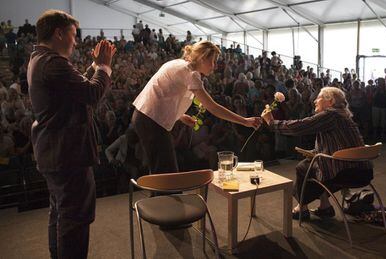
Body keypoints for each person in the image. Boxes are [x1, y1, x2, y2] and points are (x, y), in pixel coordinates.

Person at [27, 9, 116, 259]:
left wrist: (95, 67)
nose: (76, 41)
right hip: (67, 155)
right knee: (74, 219)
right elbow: (91, 94)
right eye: (73, 35)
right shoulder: (52, 62)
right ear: (58, 33)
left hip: (56, 154)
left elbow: (76, 88)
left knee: (61, 215)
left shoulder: (40, 59)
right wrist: (105, 67)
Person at [131, 40, 261, 175]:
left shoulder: (177, 63)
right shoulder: (191, 74)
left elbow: (164, 94)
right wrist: (245, 121)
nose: (215, 66)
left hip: (144, 117)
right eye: (213, 61)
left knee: (162, 172)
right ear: (203, 58)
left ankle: (161, 196)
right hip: (152, 121)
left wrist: (180, 116)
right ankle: (164, 196)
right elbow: (213, 107)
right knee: (166, 175)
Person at [262, 87, 373, 220]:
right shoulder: (343, 117)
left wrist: (271, 122)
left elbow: (300, 126)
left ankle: (302, 208)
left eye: (318, 97)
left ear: (330, 101)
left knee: (303, 167)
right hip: (363, 171)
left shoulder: (330, 115)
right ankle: (324, 206)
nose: (314, 101)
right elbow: (338, 147)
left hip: (345, 173)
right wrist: (315, 153)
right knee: (313, 165)